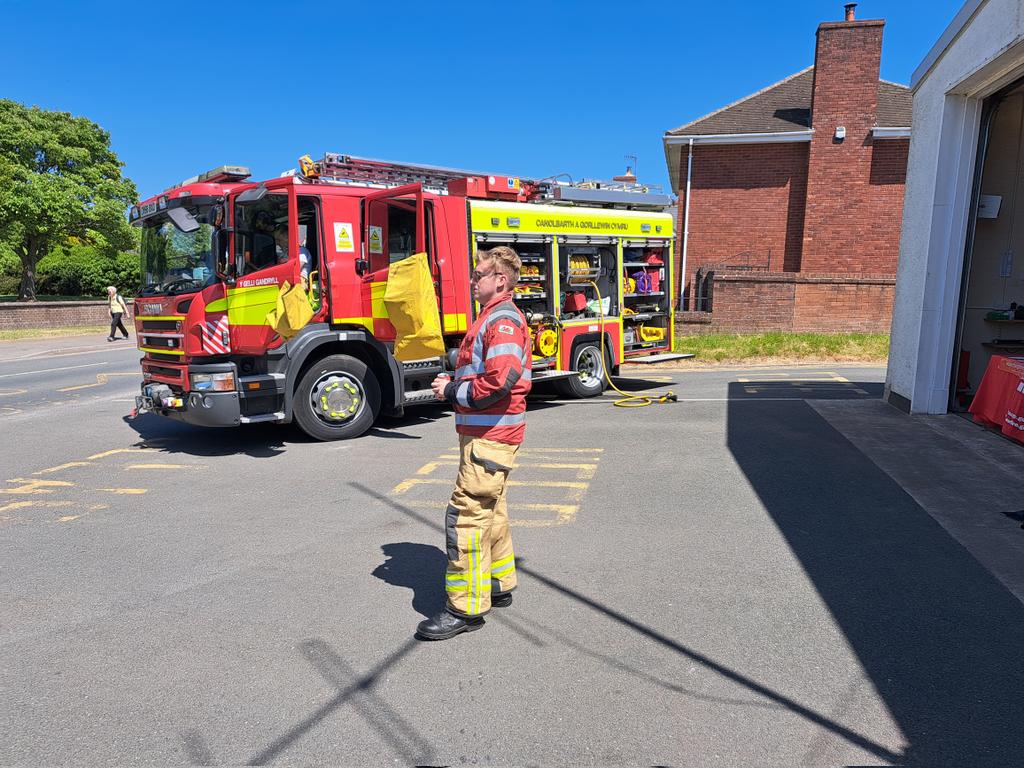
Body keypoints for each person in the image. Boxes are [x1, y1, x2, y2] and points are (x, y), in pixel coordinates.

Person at [418, 246, 532, 641]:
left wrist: (452, 390)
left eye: (480, 274)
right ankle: (498, 585)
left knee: (465, 517)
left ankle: (464, 610)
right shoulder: (492, 317)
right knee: (492, 511)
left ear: (501, 280)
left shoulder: (501, 320)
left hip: (491, 436)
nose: (473, 279)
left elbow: (498, 381)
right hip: (487, 436)